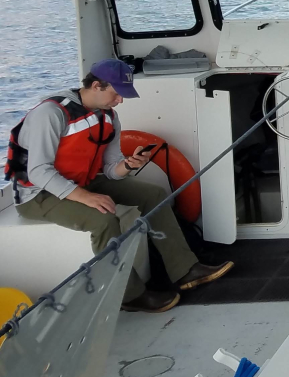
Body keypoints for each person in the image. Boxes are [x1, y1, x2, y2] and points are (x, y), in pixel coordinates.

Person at [4, 58, 233, 313]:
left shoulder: (109, 116)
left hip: (83, 181)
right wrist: (84, 196)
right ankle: (129, 295)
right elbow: (37, 171)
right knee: (103, 220)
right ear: (97, 86)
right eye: (116, 94)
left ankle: (185, 269)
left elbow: (112, 169)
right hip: (39, 194)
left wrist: (129, 165)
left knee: (154, 194)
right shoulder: (52, 113)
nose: (120, 101)